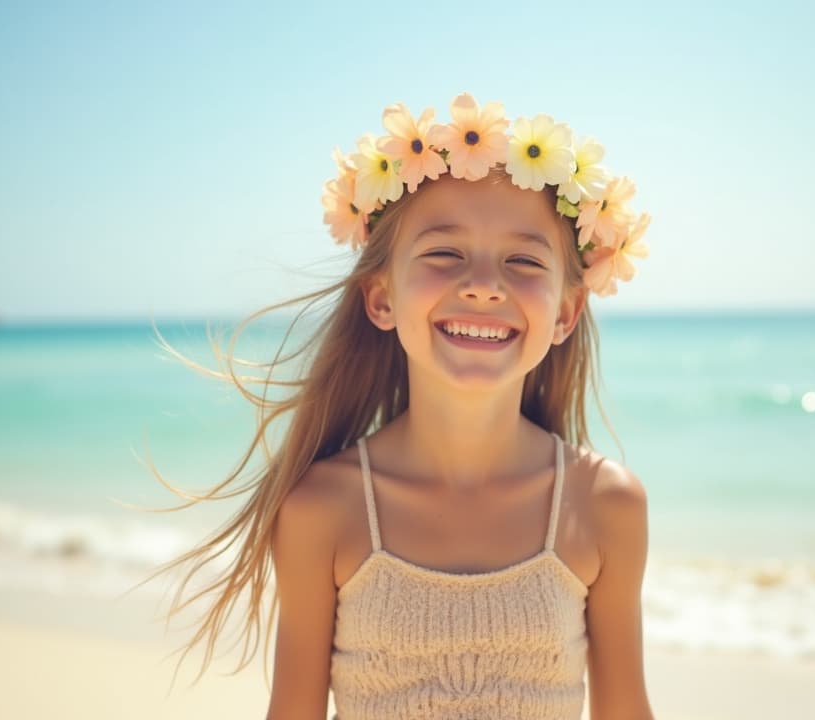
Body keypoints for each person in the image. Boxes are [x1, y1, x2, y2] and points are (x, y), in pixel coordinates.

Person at [151, 92, 655, 720]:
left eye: (523, 261)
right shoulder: (322, 508)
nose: (482, 283)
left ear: (566, 313)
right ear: (381, 297)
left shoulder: (605, 504)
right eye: (444, 253)